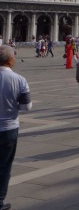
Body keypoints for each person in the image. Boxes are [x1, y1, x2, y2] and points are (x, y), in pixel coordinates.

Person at [0, 45, 32, 210]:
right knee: (4, 165)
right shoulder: (20, 80)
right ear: (11, 60)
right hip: (8, 129)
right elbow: (26, 107)